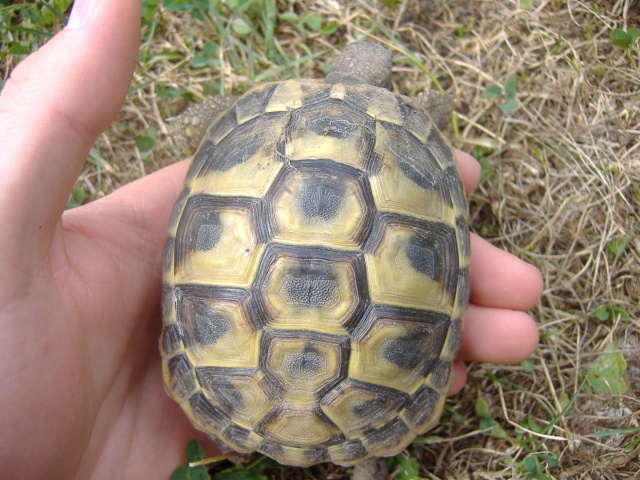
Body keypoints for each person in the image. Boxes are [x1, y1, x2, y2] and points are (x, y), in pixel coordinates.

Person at [0, 0, 543, 478]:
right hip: (366, 398)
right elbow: (432, 128)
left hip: (228, 387)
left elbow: (198, 131)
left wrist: (198, 120)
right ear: (385, 84)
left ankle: (258, 442)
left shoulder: (257, 115)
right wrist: (430, 109)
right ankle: (365, 454)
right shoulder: (413, 132)